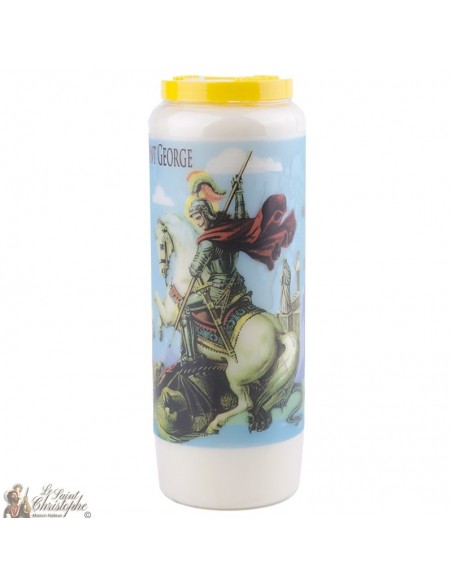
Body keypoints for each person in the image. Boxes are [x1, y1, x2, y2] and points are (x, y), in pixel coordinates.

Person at [181, 173, 296, 364]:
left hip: (218, 291)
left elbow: (194, 270)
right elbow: (242, 222)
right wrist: (240, 193)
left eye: (199, 217)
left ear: (206, 213)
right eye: (194, 219)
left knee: (184, 308)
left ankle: (189, 357)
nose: (198, 222)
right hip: (236, 286)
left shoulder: (207, 242)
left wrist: (196, 262)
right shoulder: (227, 231)